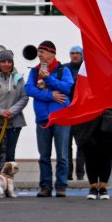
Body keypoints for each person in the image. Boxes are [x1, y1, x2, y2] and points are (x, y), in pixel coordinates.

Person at [24, 40, 73, 197]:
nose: (39, 55)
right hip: (43, 118)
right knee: (44, 155)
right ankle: (45, 186)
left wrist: (49, 79)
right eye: (38, 52)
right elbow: (29, 89)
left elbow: (67, 87)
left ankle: (61, 186)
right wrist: (50, 95)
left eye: (42, 52)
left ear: (52, 54)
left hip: (61, 118)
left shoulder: (63, 70)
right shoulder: (35, 71)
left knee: (62, 155)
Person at [73, 106, 112, 201]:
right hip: (88, 117)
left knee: (107, 156)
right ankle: (93, 187)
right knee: (89, 156)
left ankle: (103, 188)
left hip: (109, 117)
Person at [65, 45, 85, 181]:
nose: (75, 55)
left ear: (82, 54)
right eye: (72, 53)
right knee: (66, 145)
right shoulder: (65, 68)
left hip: (81, 112)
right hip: (67, 111)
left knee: (81, 145)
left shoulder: (86, 69)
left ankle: (80, 174)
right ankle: (68, 174)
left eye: (77, 53)